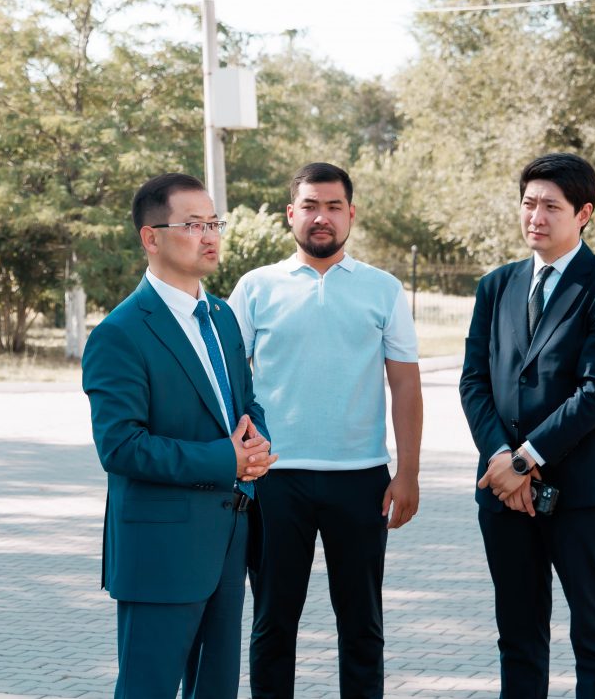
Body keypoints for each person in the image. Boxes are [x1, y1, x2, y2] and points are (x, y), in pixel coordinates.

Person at [228, 162, 423, 698]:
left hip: (361, 479)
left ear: (351, 214)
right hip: (274, 480)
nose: (322, 217)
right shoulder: (255, 287)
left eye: (334, 206)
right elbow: (228, 380)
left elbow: (405, 385)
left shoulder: (383, 289)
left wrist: (407, 473)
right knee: (272, 623)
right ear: (291, 214)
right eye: (310, 206)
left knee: (362, 625)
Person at [82, 173, 276, 698]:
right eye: (193, 225)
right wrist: (227, 460)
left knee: (217, 690)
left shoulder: (222, 317)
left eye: (214, 223)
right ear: (151, 237)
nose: (209, 236)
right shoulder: (120, 333)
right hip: (160, 551)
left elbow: (244, 404)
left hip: (228, 539)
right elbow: (120, 447)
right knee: (147, 689)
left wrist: (257, 443)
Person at [459, 152, 595, 698]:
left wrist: (526, 459)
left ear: (584, 213)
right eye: (528, 203)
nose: (535, 217)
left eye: (551, 207)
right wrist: (502, 459)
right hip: (502, 491)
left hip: (583, 491)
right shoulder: (496, 285)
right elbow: (474, 382)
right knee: (517, 634)